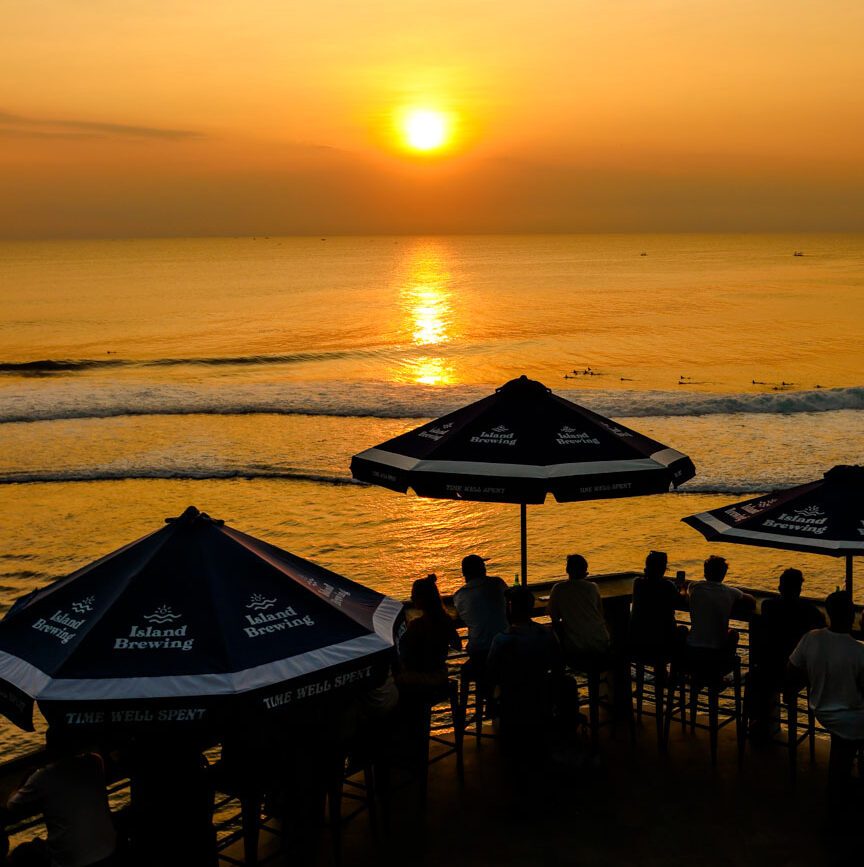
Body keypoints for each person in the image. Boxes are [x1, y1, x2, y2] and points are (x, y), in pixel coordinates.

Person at [789, 590, 864, 815]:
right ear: (853, 616)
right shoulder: (857, 651)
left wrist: (814, 676)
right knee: (848, 741)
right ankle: (842, 792)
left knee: (843, 748)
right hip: (850, 714)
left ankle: (841, 786)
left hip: (819, 707)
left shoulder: (812, 638)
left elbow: (791, 670)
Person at [6, 731, 117, 867]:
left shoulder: (43, 777)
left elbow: (12, 804)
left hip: (70, 861)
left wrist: (23, 783)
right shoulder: (94, 761)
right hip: (109, 849)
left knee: (22, 853)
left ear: (48, 750)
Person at [748, 568, 825, 740]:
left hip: (769, 670)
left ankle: (756, 721)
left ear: (780, 587)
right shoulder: (810, 611)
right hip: (795, 674)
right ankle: (787, 695)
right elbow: (822, 627)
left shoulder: (769, 606)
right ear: (799, 589)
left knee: (754, 675)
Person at [487, 587, 561, 749]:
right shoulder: (545, 634)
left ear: (510, 609)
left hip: (513, 699)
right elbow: (556, 664)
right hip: (540, 693)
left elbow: (493, 673)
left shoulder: (501, 640)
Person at [396, 574, 461, 705]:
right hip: (441, 674)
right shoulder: (446, 620)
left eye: (414, 595)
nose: (411, 598)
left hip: (423, 679)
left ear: (422, 599)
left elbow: (404, 654)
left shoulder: (416, 625)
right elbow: (458, 645)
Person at [686, 556, 755, 659]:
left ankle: (676, 671)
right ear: (723, 574)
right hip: (718, 653)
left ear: (705, 573)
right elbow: (752, 600)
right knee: (733, 634)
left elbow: (685, 592)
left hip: (693, 649)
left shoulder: (694, 587)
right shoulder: (731, 592)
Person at [547, 554, 610, 664]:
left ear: (567, 570)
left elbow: (554, 618)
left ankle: (558, 677)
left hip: (577, 648)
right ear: (585, 571)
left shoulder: (558, 589)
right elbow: (600, 613)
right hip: (601, 643)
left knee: (550, 634)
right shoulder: (593, 587)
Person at [452, 554, 508, 678]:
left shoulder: (460, 595)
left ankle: (485, 691)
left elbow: (461, 615)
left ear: (464, 573)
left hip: (479, 652)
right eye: (483, 566)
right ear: (482, 570)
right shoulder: (497, 583)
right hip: (505, 647)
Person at [628, 551, 686, 658]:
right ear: (663, 569)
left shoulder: (638, 583)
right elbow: (681, 599)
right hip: (662, 643)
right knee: (683, 630)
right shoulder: (668, 586)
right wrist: (682, 588)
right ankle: (674, 672)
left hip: (639, 641)